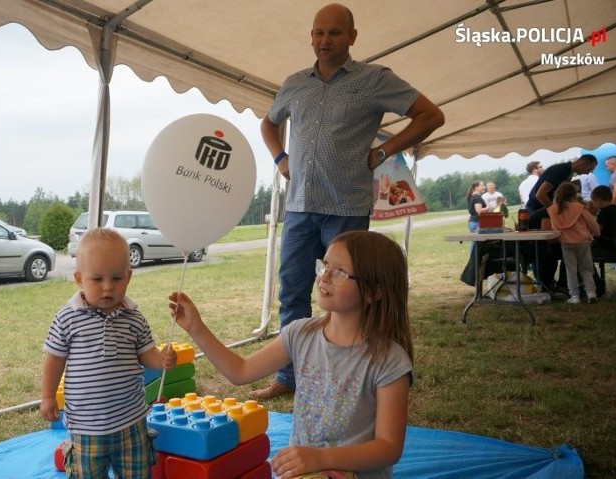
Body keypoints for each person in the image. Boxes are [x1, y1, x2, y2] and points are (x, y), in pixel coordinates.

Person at [257, 3, 442, 400]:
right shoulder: (294, 83)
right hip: (300, 205)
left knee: (348, 298)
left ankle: (350, 374)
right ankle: (291, 378)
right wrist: (280, 157)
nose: (325, 40)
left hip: (346, 207)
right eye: (319, 33)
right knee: (292, 293)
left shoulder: (375, 80)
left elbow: (430, 115)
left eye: (335, 33)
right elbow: (269, 122)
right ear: (311, 37)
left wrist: (385, 150)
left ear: (352, 37)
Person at [169, 231, 413, 479]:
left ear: (373, 292)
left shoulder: (389, 361)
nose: (325, 277)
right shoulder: (300, 334)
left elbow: (388, 448)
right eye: (325, 265)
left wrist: (321, 458)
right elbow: (240, 371)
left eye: (340, 272)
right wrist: (196, 328)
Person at [40, 227, 177, 478]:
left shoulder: (133, 317)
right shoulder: (67, 318)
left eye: (116, 278)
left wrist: (161, 359)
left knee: (137, 474)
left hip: (131, 422)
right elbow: (54, 359)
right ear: (80, 279)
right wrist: (48, 396)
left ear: (129, 277)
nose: (107, 287)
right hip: (86, 427)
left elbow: (146, 353)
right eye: (97, 279)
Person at [547, 182, 600, 304]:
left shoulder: (553, 209)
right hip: (582, 241)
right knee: (586, 269)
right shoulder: (578, 207)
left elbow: (555, 228)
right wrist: (596, 233)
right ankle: (591, 293)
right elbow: (592, 223)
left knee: (570, 270)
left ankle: (574, 296)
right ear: (573, 195)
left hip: (566, 242)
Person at [526, 155, 598, 212]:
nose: (587, 173)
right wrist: (556, 211)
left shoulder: (568, 172)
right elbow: (540, 195)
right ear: (582, 163)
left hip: (542, 207)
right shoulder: (561, 171)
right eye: (589, 169)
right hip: (535, 208)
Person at [589, 185, 616, 296]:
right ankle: (596, 283)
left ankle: (597, 283)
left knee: (581, 255)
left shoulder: (604, 212)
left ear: (597, 200)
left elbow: (597, 232)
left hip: (605, 247)